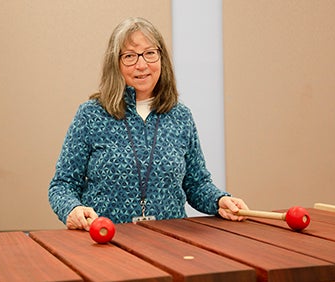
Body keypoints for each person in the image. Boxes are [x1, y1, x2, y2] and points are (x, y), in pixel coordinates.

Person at [48, 17, 249, 231]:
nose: (142, 64)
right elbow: (62, 185)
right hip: (108, 243)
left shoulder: (181, 116)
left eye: (150, 53)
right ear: (115, 63)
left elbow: (196, 184)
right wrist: (72, 209)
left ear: (161, 58)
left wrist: (219, 200)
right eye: (130, 56)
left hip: (171, 243)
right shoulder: (91, 115)